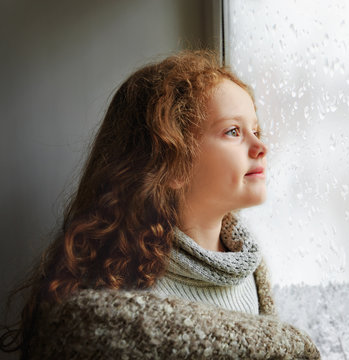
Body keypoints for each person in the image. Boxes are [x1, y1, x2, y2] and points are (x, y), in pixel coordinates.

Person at [1, 50, 320, 359]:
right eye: (233, 131)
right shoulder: (114, 290)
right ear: (171, 162)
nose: (261, 146)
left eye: (256, 130)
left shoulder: (250, 269)